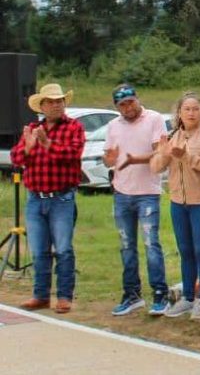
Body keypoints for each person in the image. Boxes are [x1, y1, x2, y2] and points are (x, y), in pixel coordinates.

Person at [12, 83, 85, 314]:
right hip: (35, 198)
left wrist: (47, 144)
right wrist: (28, 148)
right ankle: (41, 295)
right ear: (42, 106)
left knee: (63, 249)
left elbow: (72, 154)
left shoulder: (74, 127)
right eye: (51, 102)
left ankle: (64, 297)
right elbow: (15, 158)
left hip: (61, 198)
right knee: (39, 250)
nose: (56, 105)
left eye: (59, 101)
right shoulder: (32, 129)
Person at [151, 92, 200, 319]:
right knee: (185, 251)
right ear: (178, 113)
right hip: (178, 202)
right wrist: (163, 152)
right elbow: (156, 168)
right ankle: (188, 297)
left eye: (195, 109)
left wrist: (185, 157)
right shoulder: (172, 136)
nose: (191, 113)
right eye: (187, 109)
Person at [103, 84, 169, 317]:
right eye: (122, 104)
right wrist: (109, 160)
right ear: (117, 107)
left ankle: (160, 293)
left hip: (147, 192)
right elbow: (109, 158)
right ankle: (132, 294)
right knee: (126, 245)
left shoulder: (154, 119)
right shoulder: (113, 125)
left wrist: (134, 159)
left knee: (151, 243)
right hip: (122, 191)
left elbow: (160, 151)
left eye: (131, 101)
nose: (128, 107)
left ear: (137, 99)